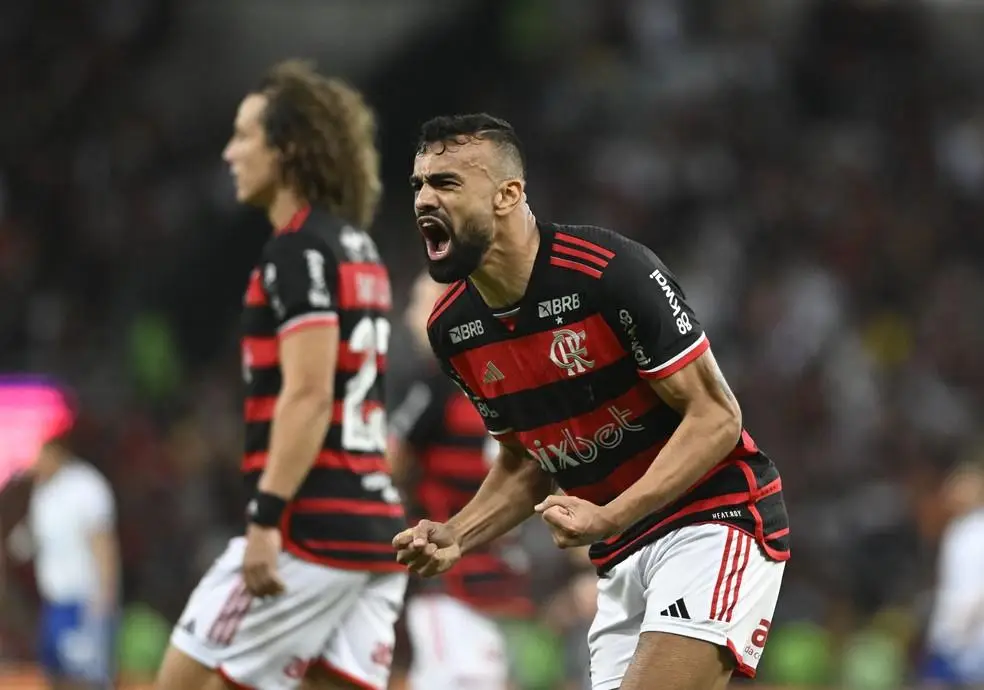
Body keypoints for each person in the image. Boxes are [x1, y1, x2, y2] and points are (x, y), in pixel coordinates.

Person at [394, 113, 791, 690]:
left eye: (447, 183)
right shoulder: (453, 328)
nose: (425, 199)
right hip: (620, 552)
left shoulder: (610, 273)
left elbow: (718, 418)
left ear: (508, 195)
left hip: (714, 519)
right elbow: (525, 461)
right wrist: (458, 534)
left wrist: (609, 515)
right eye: (419, 185)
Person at [156, 60, 406, 690]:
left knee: (181, 681)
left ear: (288, 148)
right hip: (374, 529)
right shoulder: (360, 249)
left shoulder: (296, 252)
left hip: (307, 527)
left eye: (244, 136)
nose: (229, 151)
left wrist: (265, 517)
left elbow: (309, 392)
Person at [388, 271, 533, 690]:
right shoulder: (513, 381)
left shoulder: (435, 388)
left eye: (419, 303)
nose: (409, 317)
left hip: (453, 588)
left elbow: (388, 465)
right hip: (510, 588)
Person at [6, 389, 120, 690]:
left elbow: (104, 547)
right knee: (53, 678)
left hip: (83, 602)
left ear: (55, 449)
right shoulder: (44, 492)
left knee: (85, 681)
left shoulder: (87, 486)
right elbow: (28, 542)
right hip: (53, 603)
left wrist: (103, 604)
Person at [923, 455, 984, 686]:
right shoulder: (959, 529)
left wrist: (960, 629)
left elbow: (977, 588)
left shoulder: (977, 531)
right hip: (953, 632)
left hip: (970, 636)